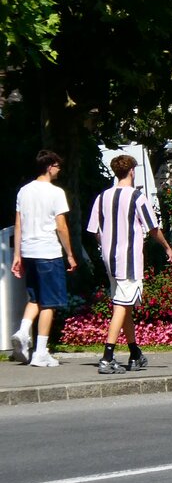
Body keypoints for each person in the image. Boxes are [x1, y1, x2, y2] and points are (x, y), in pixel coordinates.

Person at [86, 154, 172, 374]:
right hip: (129, 259)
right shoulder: (137, 197)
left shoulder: (102, 197)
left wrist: (106, 245)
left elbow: (94, 229)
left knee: (123, 304)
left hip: (110, 259)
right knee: (122, 306)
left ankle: (134, 353)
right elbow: (153, 228)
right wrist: (168, 248)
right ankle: (107, 357)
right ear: (132, 171)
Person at [10, 150, 78, 367]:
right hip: (48, 252)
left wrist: (17, 255)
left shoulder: (24, 191)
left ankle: (23, 331)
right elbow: (61, 226)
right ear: (50, 166)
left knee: (35, 298)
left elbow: (18, 224)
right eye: (57, 166)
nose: (59, 170)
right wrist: (69, 254)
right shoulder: (56, 193)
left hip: (28, 251)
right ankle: (40, 351)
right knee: (50, 302)